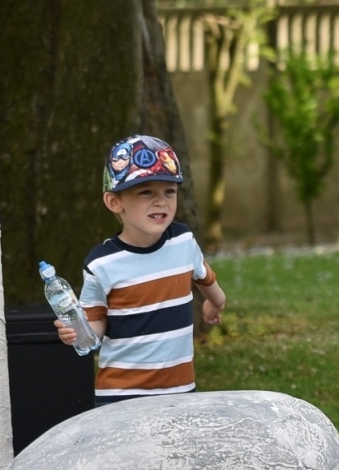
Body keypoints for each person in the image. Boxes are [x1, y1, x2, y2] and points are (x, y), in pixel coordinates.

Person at [55, 135, 226, 404]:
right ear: (114, 202)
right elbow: (96, 322)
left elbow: (207, 279)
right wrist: (80, 331)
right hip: (120, 395)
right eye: (146, 192)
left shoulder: (183, 242)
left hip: (179, 391)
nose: (161, 201)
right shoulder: (101, 263)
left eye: (169, 191)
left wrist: (214, 305)